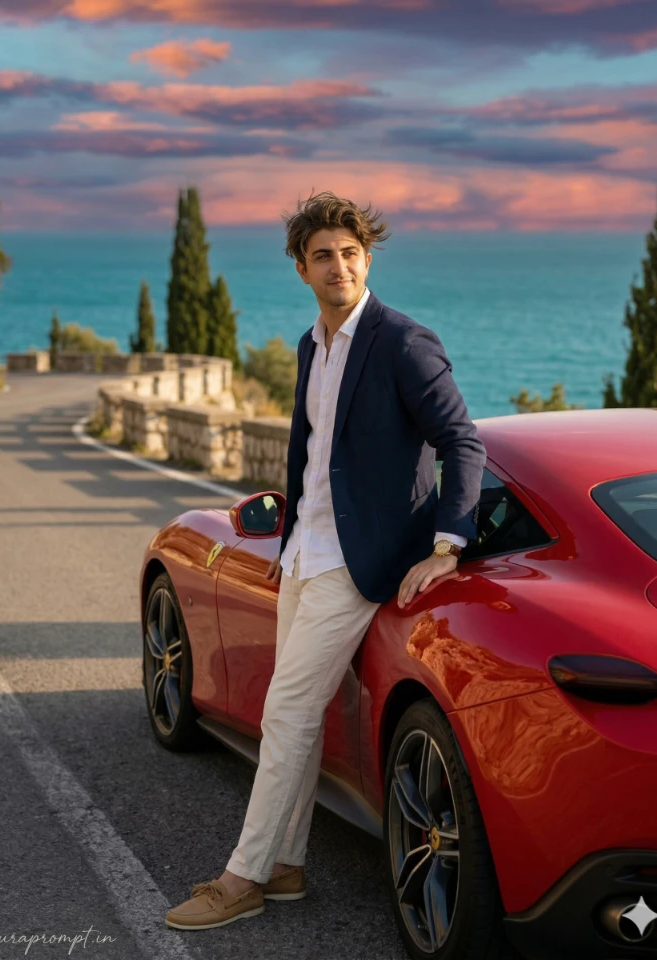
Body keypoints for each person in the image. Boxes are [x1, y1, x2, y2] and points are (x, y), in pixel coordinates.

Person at [165, 190, 486, 931]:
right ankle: (285, 865)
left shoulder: (403, 342)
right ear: (302, 269)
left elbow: (461, 441)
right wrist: (286, 548)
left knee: (284, 712)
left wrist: (446, 546)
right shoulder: (313, 345)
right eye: (322, 256)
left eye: (349, 253)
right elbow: (309, 456)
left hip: (361, 562)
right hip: (306, 554)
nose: (337, 265)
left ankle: (240, 877)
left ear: (366, 258)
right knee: (297, 718)